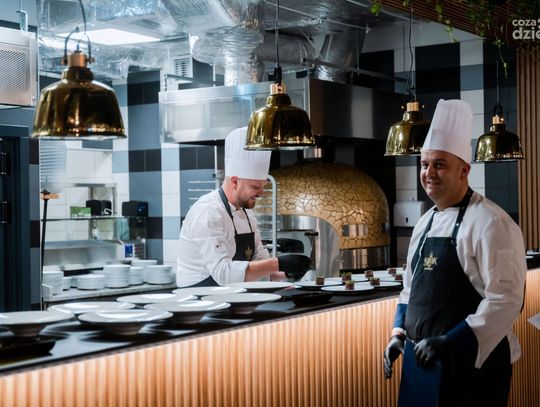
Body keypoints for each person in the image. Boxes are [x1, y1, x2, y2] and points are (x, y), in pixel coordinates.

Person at [383, 99, 527, 406]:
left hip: (472, 365)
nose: (429, 173)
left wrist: (450, 341)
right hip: (421, 364)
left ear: (464, 170)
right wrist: (398, 333)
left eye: (440, 164)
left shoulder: (491, 222)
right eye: (424, 164)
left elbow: (506, 300)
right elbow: (410, 289)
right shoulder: (425, 222)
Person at [177, 126, 311, 287]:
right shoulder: (208, 212)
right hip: (200, 297)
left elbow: (260, 264)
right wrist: (278, 263)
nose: (261, 193)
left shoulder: (247, 213)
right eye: (255, 187)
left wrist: (287, 273)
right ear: (235, 181)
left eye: (263, 186)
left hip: (232, 295)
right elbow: (223, 274)